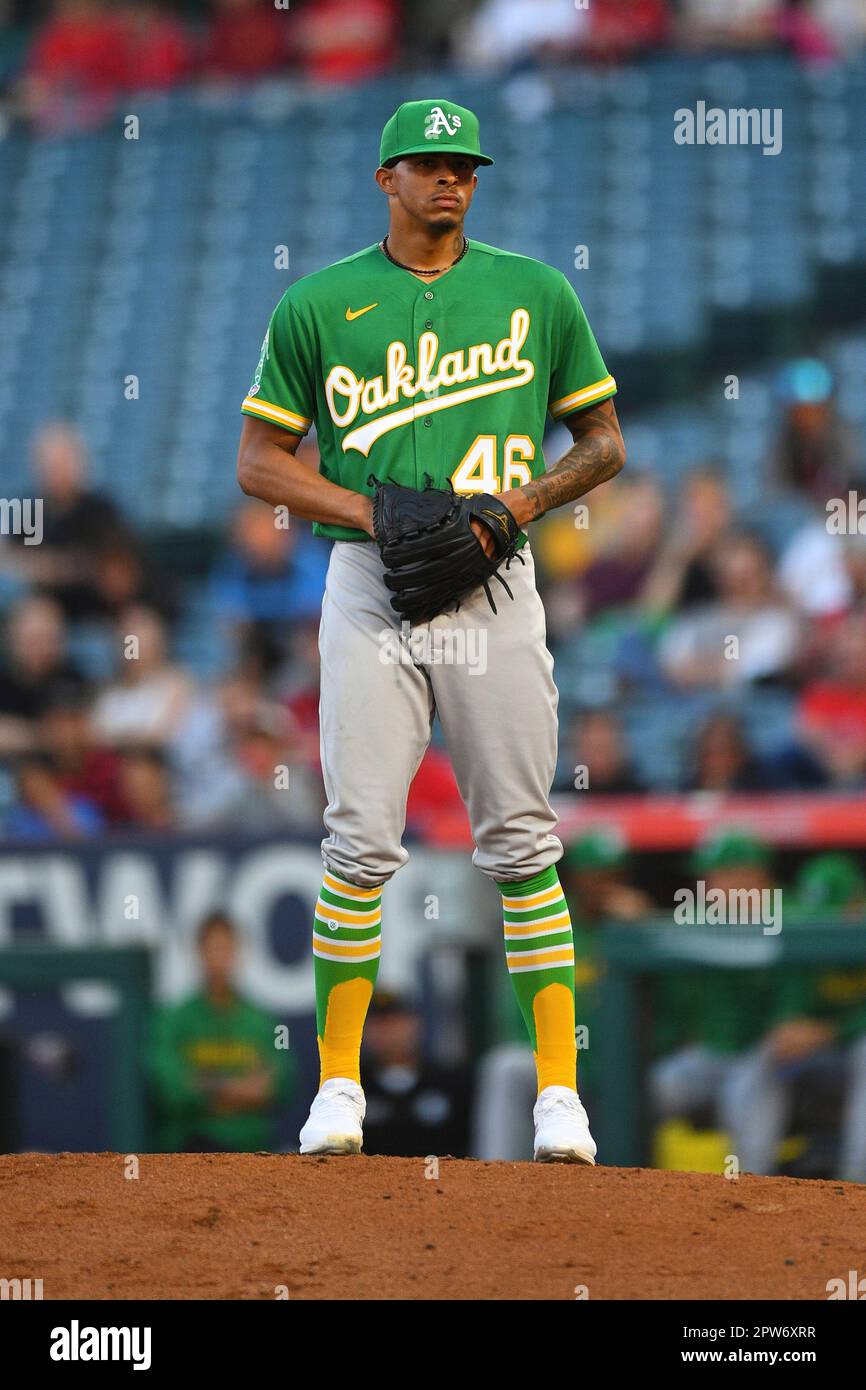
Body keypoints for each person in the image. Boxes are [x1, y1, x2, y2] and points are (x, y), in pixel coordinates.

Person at [237, 98, 626, 1163]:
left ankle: (557, 1095)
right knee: (359, 838)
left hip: (497, 573)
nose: (449, 179)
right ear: (384, 178)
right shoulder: (317, 304)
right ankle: (336, 1089)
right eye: (427, 163)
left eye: (463, 165)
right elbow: (258, 462)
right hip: (370, 578)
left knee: (520, 839)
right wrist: (374, 515)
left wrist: (520, 505)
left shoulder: (534, 290)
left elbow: (601, 440)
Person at [474, 831, 654, 1159]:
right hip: (566, 1068)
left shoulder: (635, 928)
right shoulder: (551, 922)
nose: (602, 885)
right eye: (593, 875)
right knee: (506, 1066)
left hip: (628, 1069)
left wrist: (644, 932)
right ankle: (494, 1173)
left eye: (611, 876)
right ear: (576, 877)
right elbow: (516, 1015)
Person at [145, 911, 294, 1152]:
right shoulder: (173, 1020)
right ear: (198, 953)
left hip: (252, 1153)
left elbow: (281, 1085)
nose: (220, 958)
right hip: (188, 1153)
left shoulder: (262, 1020)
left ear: (238, 953)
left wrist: (207, 1088)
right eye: (213, 949)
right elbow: (172, 1089)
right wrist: (243, 1090)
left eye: (226, 948)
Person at [360, 992, 472, 1157]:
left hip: (441, 1178)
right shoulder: (354, 1085)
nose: (388, 1032)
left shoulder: (450, 1081)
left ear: (415, 1024)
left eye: (396, 1022)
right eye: (379, 1024)